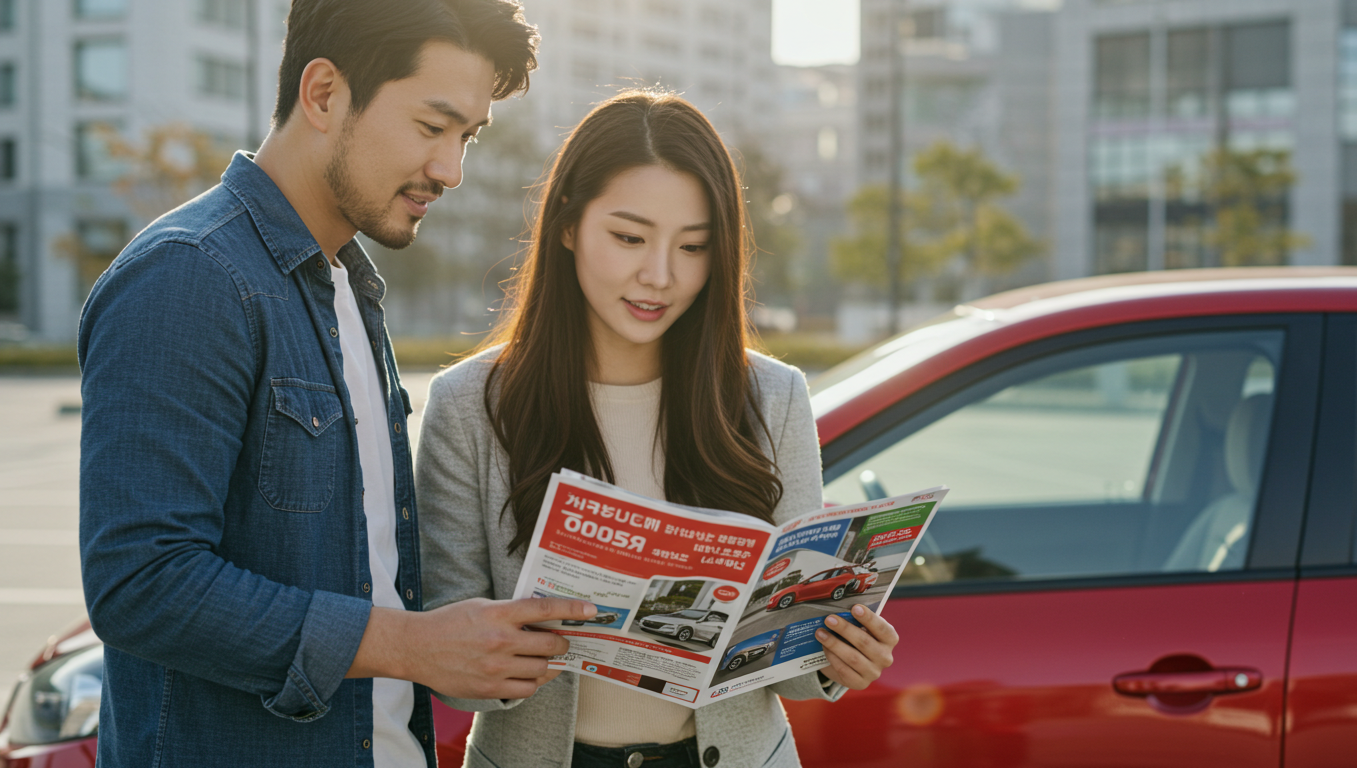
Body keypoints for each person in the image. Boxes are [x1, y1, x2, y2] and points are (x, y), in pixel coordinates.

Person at [77, 2, 594, 766]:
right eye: (431, 126)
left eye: (467, 137)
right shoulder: (192, 276)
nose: (450, 170)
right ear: (323, 95)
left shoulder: (347, 285)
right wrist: (411, 645)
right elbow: (142, 583)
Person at [415, 90, 902, 768]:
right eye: (629, 237)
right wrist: (524, 644)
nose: (660, 275)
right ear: (566, 225)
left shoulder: (774, 396)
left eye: (694, 246)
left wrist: (836, 656)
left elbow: (786, 668)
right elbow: (450, 654)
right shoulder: (469, 404)